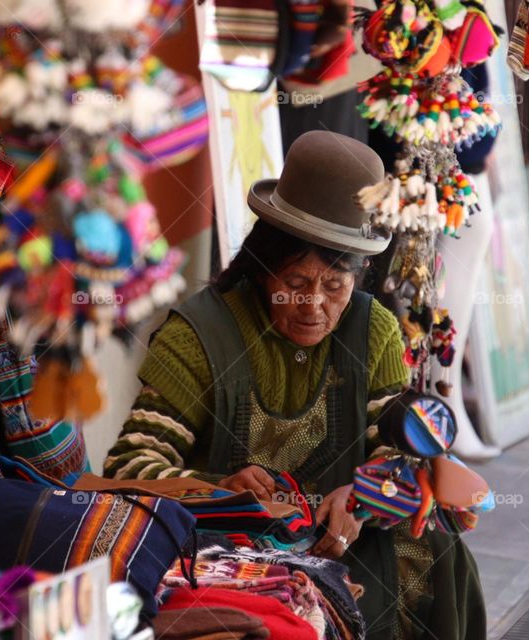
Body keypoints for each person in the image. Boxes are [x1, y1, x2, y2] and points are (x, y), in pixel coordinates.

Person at [104, 131, 485, 640]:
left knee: (434, 546)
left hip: (340, 544)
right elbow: (130, 464)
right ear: (263, 270)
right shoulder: (199, 334)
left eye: (334, 286)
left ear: (359, 274)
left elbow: (397, 455)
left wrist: (360, 500)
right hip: (223, 542)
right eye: (296, 283)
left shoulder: (373, 331)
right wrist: (219, 489)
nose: (313, 306)